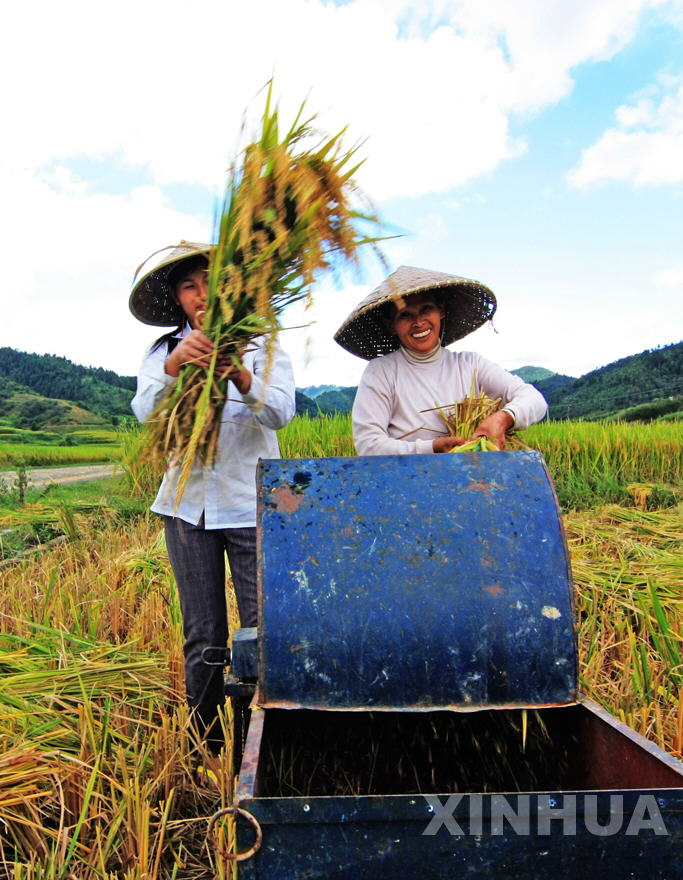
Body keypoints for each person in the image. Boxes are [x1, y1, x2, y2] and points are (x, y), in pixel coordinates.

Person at [129, 241, 296, 754]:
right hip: (187, 507)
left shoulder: (263, 346)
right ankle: (205, 741)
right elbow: (145, 413)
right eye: (189, 285)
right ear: (178, 299)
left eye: (211, 281)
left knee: (260, 631)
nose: (202, 294)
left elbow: (280, 413)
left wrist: (241, 375)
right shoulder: (163, 352)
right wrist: (178, 365)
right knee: (203, 633)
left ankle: (264, 738)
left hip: (251, 507)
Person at [333, 266, 547, 454]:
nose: (419, 322)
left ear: (441, 311)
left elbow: (534, 400)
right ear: (392, 325)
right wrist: (431, 448)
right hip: (407, 482)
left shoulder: (470, 365)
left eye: (426, 309)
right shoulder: (382, 371)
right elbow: (368, 444)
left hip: (470, 479)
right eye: (405, 315)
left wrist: (503, 418)